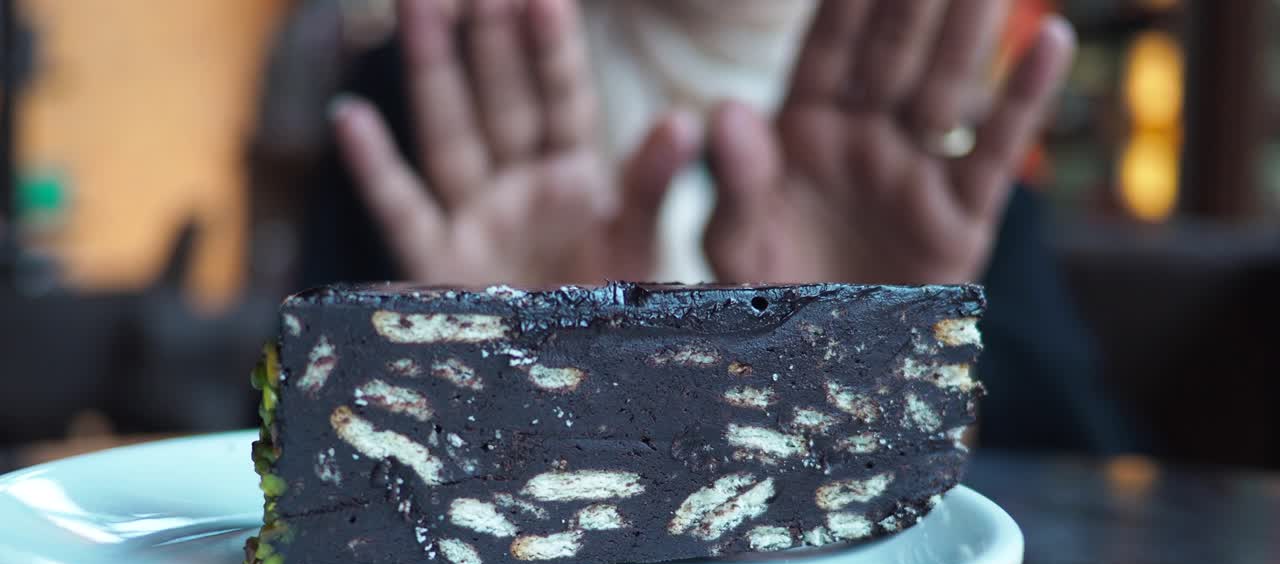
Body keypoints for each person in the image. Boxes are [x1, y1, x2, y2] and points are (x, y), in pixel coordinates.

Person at [298, 0, 1144, 454]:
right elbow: (277, 465)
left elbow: (1098, 494)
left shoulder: (925, 142)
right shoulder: (440, 93)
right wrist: (486, 365)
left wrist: (884, 352)